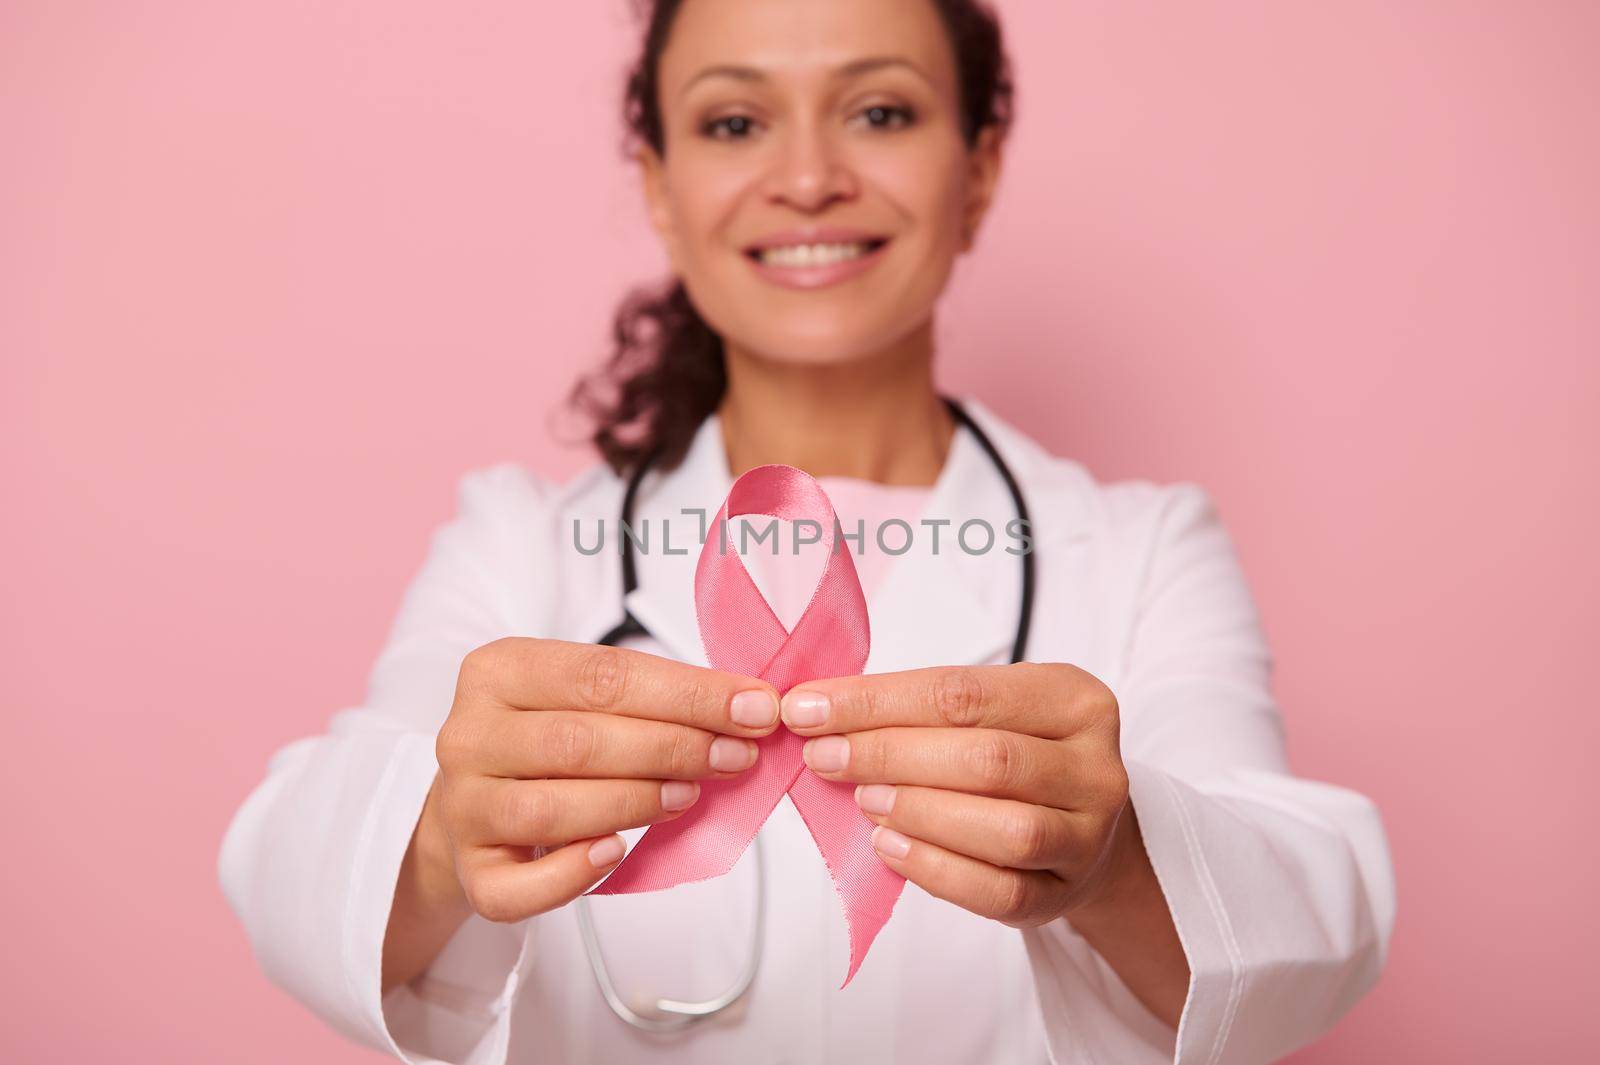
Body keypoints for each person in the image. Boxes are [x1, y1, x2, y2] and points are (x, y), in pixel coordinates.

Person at [218, 0, 1395, 1062]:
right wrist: (436, 841)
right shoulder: (520, 541)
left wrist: (1122, 859)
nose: (808, 176)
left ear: (976, 172)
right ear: (658, 188)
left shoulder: (1138, 551)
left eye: (878, 111)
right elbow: (294, 862)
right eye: (734, 124)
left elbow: (1305, 921)